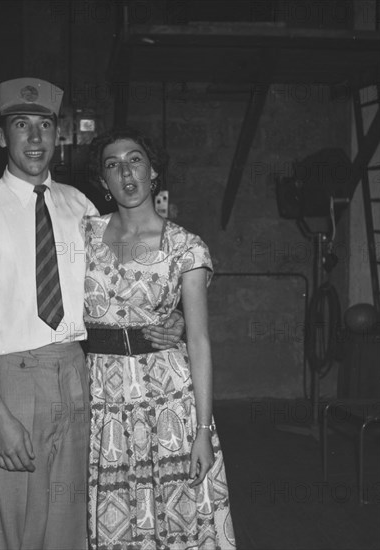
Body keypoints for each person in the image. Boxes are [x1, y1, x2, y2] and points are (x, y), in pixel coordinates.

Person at [0, 78, 183, 550]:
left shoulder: (82, 206)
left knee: (72, 531)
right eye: (20, 125)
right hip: (10, 380)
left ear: (58, 134)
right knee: (11, 535)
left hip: (77, 375)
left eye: (44, 126)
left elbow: (120, 292)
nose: (35, 138)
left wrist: (168, 320)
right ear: (0, 137)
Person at [84, 128, 236, 549]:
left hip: (168, 400)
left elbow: (200, 341)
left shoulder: (186, 247)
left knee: (178, 512)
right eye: (112, 165)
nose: (125, 172)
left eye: (135, 160)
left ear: (153, 173)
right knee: (111, 515)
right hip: (101, 399)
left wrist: (202, 430)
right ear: (102, 181)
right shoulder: (82, 236)